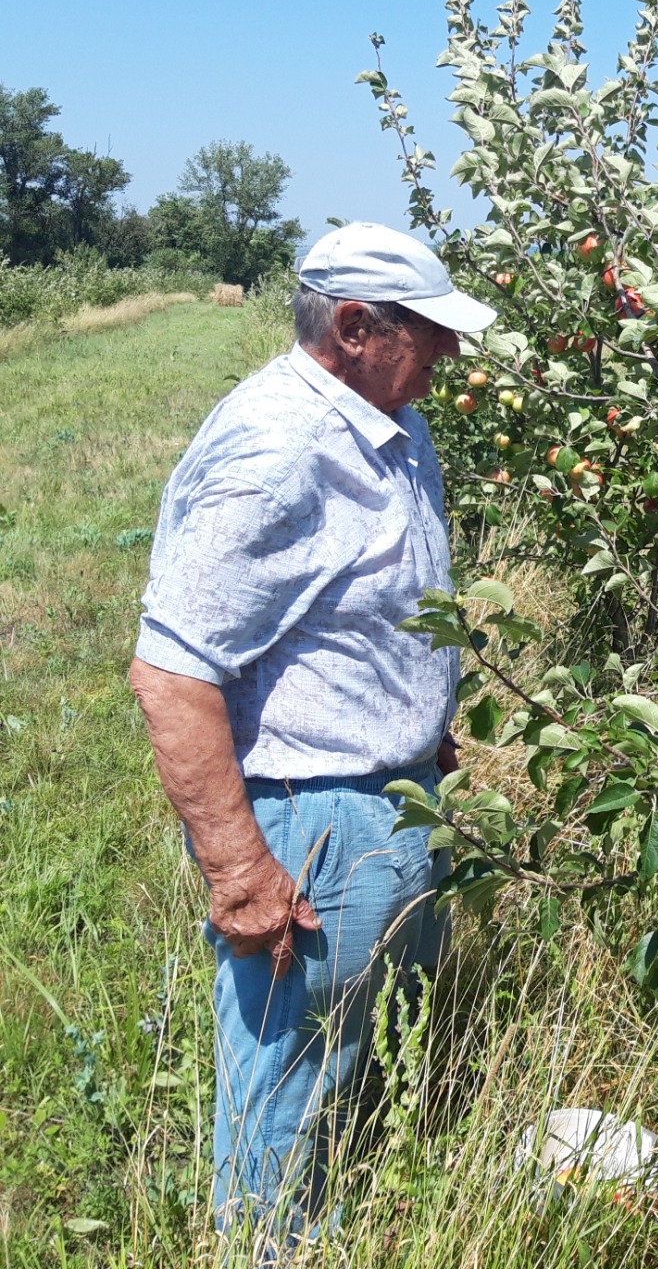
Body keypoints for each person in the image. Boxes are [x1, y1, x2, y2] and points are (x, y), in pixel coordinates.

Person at [128, 221, 494, 1248]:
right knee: (290, 1091)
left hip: (396, 797)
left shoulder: (386, 416)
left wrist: (423, 726)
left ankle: (353, 1228)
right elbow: (172, 669)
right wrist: (242, 869)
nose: (449, 355)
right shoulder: (282, 449)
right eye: (429, 333)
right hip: (316, 824)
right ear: (352, 325)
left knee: (367, 1061)